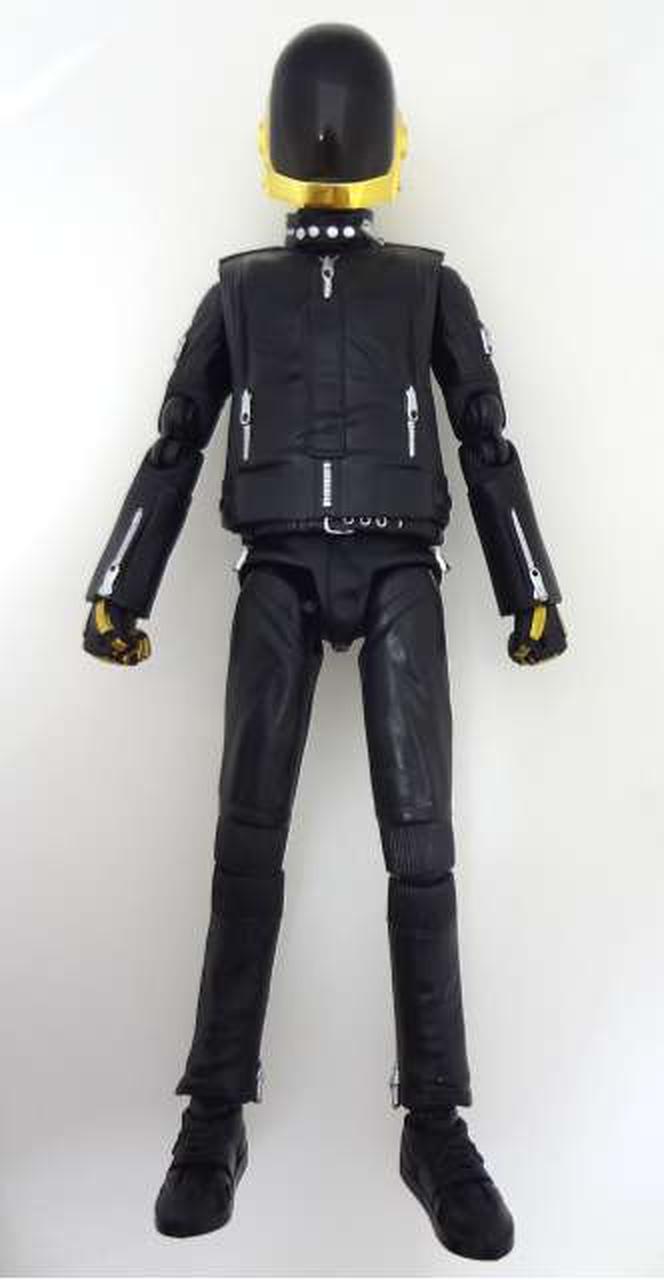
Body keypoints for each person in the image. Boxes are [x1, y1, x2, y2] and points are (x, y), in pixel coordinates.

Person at [83, 23, 566, 1260]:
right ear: (400, 147)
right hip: (281, 566)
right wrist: (121, 584)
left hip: (399, 565)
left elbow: (484, 440)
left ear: (266, 144)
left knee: (419, 845)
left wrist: (528, 583)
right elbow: (179, 439)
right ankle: (214, 1110)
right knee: (248, 841)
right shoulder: (242, 292)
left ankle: (434, 1121)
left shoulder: (425, 289)